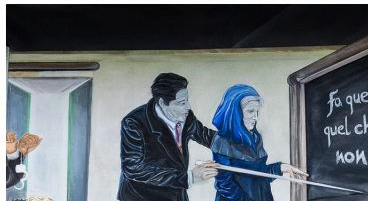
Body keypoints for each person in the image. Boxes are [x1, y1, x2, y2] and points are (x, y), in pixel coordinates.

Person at [118, 73, 219, 201]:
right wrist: (189, 177)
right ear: (162, 103)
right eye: (181, 102)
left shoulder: (186, 116)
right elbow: (133, 168)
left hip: (176, 195)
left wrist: (243, 146)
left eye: (187, 100)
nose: (188, 107)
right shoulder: (134, 122)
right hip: (142, 196)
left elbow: (208, 137)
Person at [211, 84, 307, 201]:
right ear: (235, 113)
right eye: (250, 111)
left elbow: (259, 174)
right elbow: (225, 186)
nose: (255, 117)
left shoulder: (255, 137)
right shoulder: (222, 141)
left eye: (257, 112)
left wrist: (281, 168)